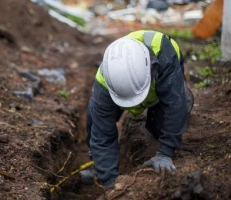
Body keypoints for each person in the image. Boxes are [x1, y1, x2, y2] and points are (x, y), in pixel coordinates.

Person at [83, 30, 194, 189]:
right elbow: (102, 134)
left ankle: (184, 95)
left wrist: (165, 153)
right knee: (94, 118)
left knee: (166, 120)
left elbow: (174, 106)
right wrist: (111, 184)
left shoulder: (164, 56)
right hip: (125, 86)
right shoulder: (106, 79)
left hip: (163, 82)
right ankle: (96, 162)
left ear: (152, 68)